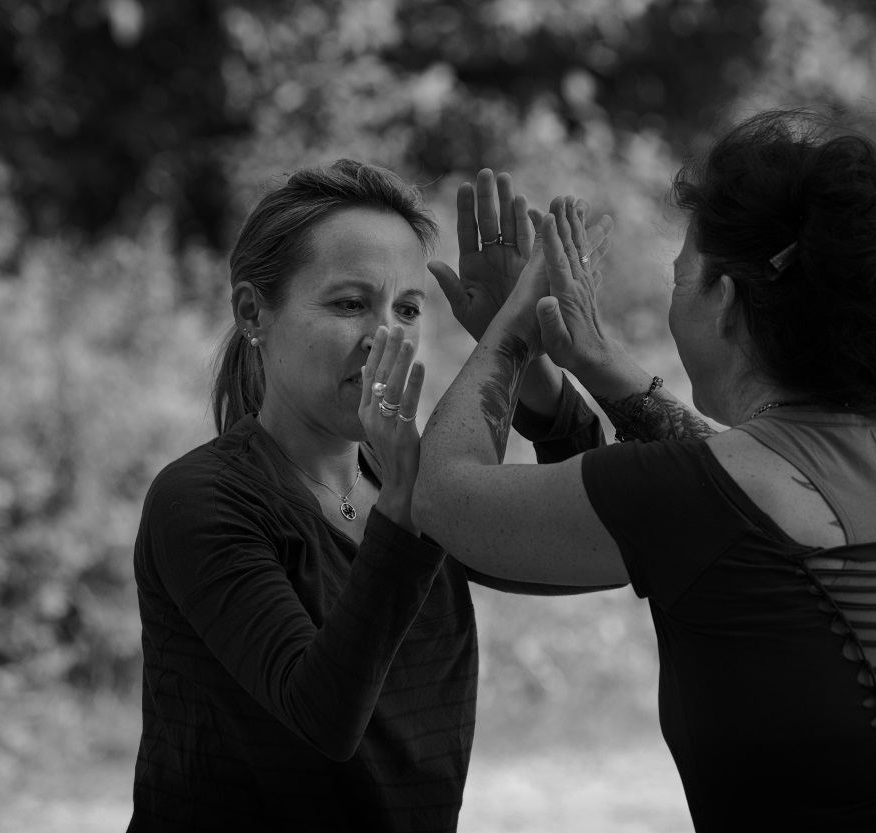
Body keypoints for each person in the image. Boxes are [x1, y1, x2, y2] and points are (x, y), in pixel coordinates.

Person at [411, 111, 876, 831]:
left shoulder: (697, 496)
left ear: (725, 299)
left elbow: (443, 497)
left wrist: (511, 329)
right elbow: (738, 494)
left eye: (680, 280)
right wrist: (593, 360)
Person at [126, 159, 614, 831]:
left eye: (407, 309)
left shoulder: (413, 484)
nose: (385, 335)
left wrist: (524, 352)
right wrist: (403, 510)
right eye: (349, 304)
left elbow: (597, 544)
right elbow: (321, 717)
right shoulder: (203, 499)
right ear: (253, 313)